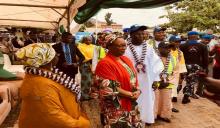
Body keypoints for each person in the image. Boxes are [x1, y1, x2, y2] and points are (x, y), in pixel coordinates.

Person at [16, 43, 90, 128]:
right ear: (47, 60)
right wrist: (82, 124)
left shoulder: (42, 75)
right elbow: (53, 117)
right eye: (55, 55)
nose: (57, 56)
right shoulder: (41, 85)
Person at [93, 34, 142, 127]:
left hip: (130, 101)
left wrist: (138, 90)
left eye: (124, 45)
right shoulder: (104, 63)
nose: (123, 48)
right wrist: (130, 94)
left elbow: (133, 78)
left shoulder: (126, 59)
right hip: (115, 105)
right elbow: (108, 87)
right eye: (119, 45)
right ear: (109, 47)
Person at [124, 25, 164, 125]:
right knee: (130, 101)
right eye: (138, 34)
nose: (142, 36)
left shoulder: (149, 48)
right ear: (131, 35)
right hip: (129, 81)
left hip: (147, 81)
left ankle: (144, 120)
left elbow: (157, 64)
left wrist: (156, 79)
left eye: (143, 33)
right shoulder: (124, 47)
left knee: (146, 101)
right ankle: (130, 121)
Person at [180, 31, 209, 103]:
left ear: (188, 36)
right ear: (197, 36)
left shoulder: (182, 45)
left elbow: (179, 57)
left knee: (180, 81)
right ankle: (185, 97)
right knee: (191, 82)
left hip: (184, 65)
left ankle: (174, 96)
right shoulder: (203, 46)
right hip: (196, 66)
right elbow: (205, 58)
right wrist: (205, 67)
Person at [154, 42, 176, 123]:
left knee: (166, 99)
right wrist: (158, 81)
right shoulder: (154, 57)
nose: (168, 50)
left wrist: (168, 81)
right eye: (166, 48)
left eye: (169, 48)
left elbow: (175, 71)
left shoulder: (173, 58)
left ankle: (164, 115)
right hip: (155, 82)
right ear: (159, 49)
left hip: (167, 81)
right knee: (155, 99)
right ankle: (153, 116)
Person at [168, 36, 187, 104]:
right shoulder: (165, 50)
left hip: (175, 74)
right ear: (170, 42)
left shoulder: (180, 52)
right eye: (176, 41)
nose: (178, 43)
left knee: (174, 87)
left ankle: (171, 104)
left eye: (179, 42)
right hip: (166, 74)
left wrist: (182, 74)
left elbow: (182, 64)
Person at [77, 36, 96, 100]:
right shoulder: (80, 46)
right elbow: (80, 56)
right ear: (84, 40)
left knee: (92, 80)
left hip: (93, 64)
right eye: (87, 40)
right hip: (84, 65)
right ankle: (84, 96)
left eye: (90, 40)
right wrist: (88, 60)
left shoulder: (94, 46)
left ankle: (91, 94)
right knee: (86, 80)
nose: (88, 41)